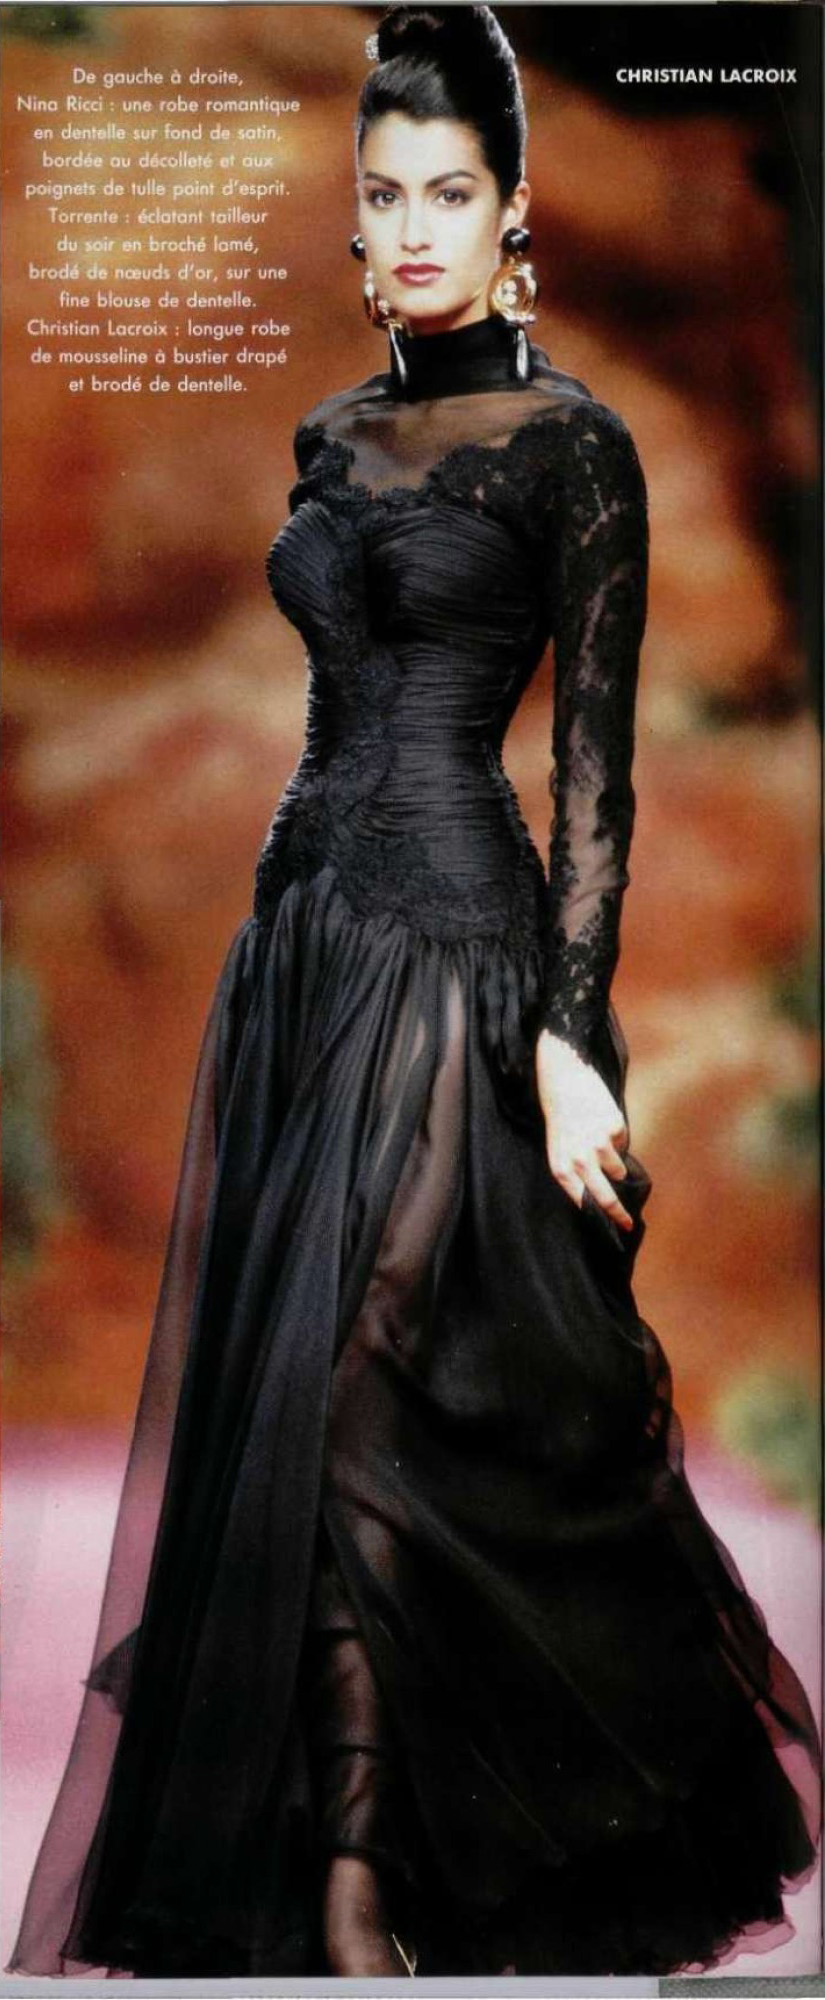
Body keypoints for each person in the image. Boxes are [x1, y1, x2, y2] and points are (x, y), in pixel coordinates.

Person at [7, 3, 821, 1980]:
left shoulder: (574, 449)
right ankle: (358, 1890)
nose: (410, 230)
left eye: (446, 192)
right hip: (299, 943)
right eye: (381, 196)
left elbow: (595, 772)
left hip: (464, 941)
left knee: (392, 1369)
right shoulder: (332, 438)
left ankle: (365, 1897)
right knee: (303, 1395)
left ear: (509, 208)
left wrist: (568, 1032)